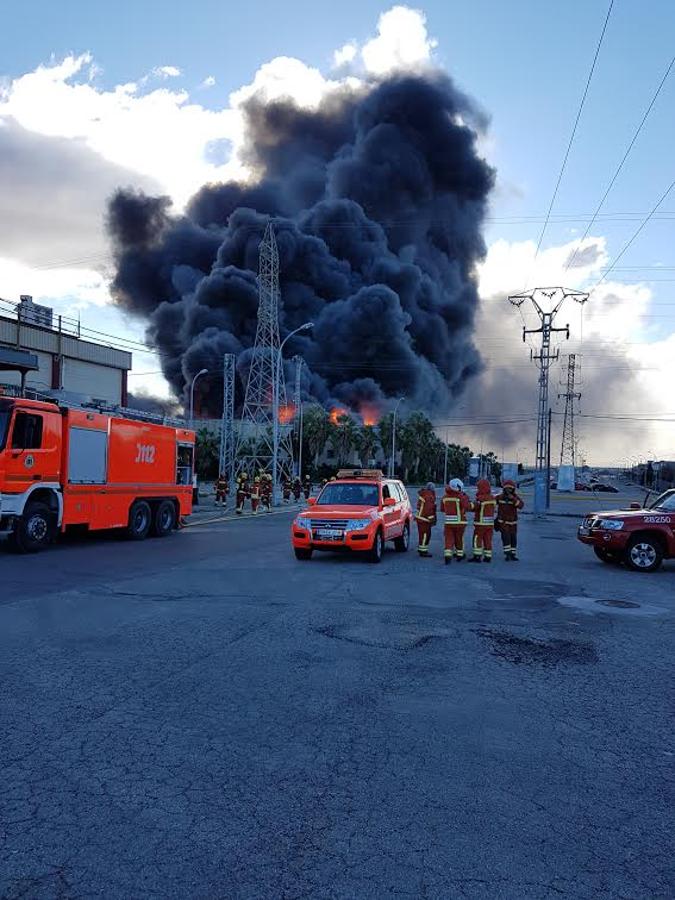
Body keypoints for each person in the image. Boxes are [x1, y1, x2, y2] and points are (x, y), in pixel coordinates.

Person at [441, 478, 472, 564]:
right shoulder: (460, 497)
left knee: (448, 539)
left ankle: (447, 556)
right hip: (460, 523)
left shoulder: (444, 497)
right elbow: (467, 506)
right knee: (459, 539)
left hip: (448, 523)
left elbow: (442, 509)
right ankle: (460, 555)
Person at [495, 479, 524, 561]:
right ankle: (507, 554)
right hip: (503, 523)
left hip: (513, 523)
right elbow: (492, 502)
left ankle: (513, 554)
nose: (508, 490)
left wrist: (513, 499)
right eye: (507, 488)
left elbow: (521, 506)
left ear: (513, 489)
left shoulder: (515, 498)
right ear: (504, 489)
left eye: (510, 489)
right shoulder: (500, 497)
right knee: (506, 539)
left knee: (513, 539)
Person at [470, 478, 496, 563]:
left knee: (477, 539)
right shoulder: (492, 498)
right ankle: (488, 556)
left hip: (480, 523)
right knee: (488, 540)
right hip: (490, 524)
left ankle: (477, 556)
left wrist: (469, 503)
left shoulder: (480, 498)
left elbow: (473, 507)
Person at [415, 482, 437, 558]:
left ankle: (421, 548)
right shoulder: (429, 496)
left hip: (421, 518)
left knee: (422, 535)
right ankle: (423, 551)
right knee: (426, 535)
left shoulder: (425, 494)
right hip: (424, 519)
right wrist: (432, 519)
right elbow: (429, 509)